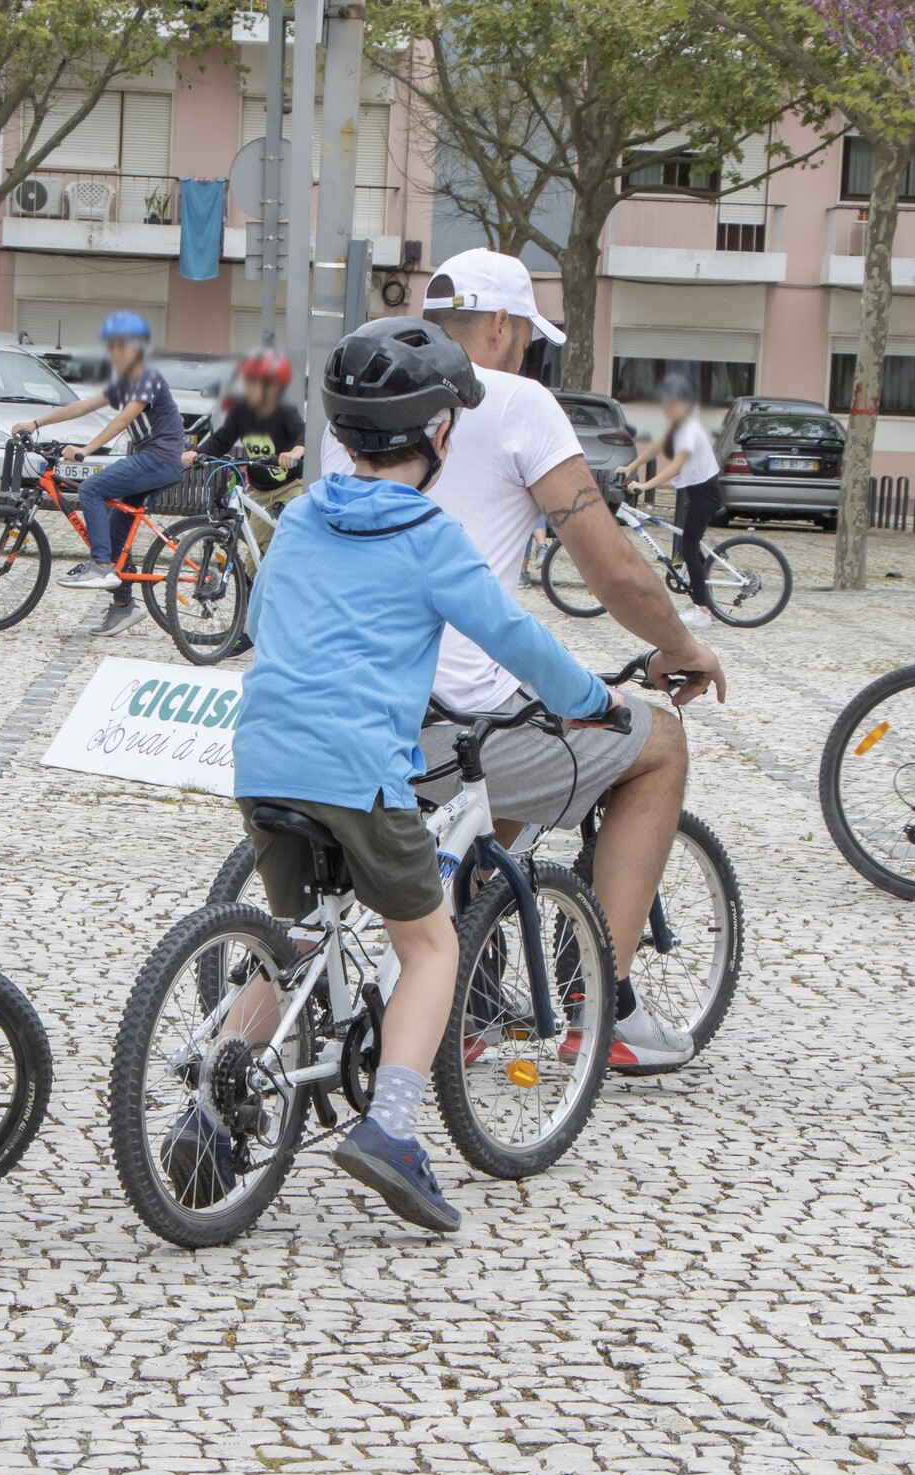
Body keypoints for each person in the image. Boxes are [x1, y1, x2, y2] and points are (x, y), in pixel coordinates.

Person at [231, 317, 621, 1234]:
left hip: (263, 757)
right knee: (431, 945)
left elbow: (268, 622)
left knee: (294, 941)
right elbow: (515, 637)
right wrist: (590, 697)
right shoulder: (429, 534)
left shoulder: (296, 516)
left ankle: (214, 1118)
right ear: (438, 434)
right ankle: (393, 1134)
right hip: (359, 770)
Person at [319, 248, 725, 1075]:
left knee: (499, 761)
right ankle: (595, 1006)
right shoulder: (516, 401)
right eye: (529, 338)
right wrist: (681, 646)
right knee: (657, 747)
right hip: (449, 721)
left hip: (346, 709)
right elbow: (609, 567)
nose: (530, 354)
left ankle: (461, 1004)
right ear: (501, 327)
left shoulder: (358, 398)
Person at [18, 310, 186, 638]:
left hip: (158, 459)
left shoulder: (146, 376)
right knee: (112, 534)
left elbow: (124, 419)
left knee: (91, 489)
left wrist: (86, 449)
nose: (115, 351)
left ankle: (102, 566)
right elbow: (81, 406)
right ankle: (124, 606)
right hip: (150, 460)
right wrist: (35, 423)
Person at [631, 373, 723, 625]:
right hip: (697, 490)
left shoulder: (688, 429)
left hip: (705, 492)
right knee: (691, 546)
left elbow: (675, 466)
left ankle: (702, 610)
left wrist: (645, 485)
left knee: (688, 549)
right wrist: (630, 467)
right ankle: (703, 594)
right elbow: (657, 447)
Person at [188, 347, 306, 537]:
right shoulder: (241, 412)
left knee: (291, 536)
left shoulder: (284, 411)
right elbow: (222, 439)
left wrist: (296, 452)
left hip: (290, 487)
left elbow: (302, 431)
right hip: (260, 492)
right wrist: (197, 453)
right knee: (255, 556)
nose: (249, 387)